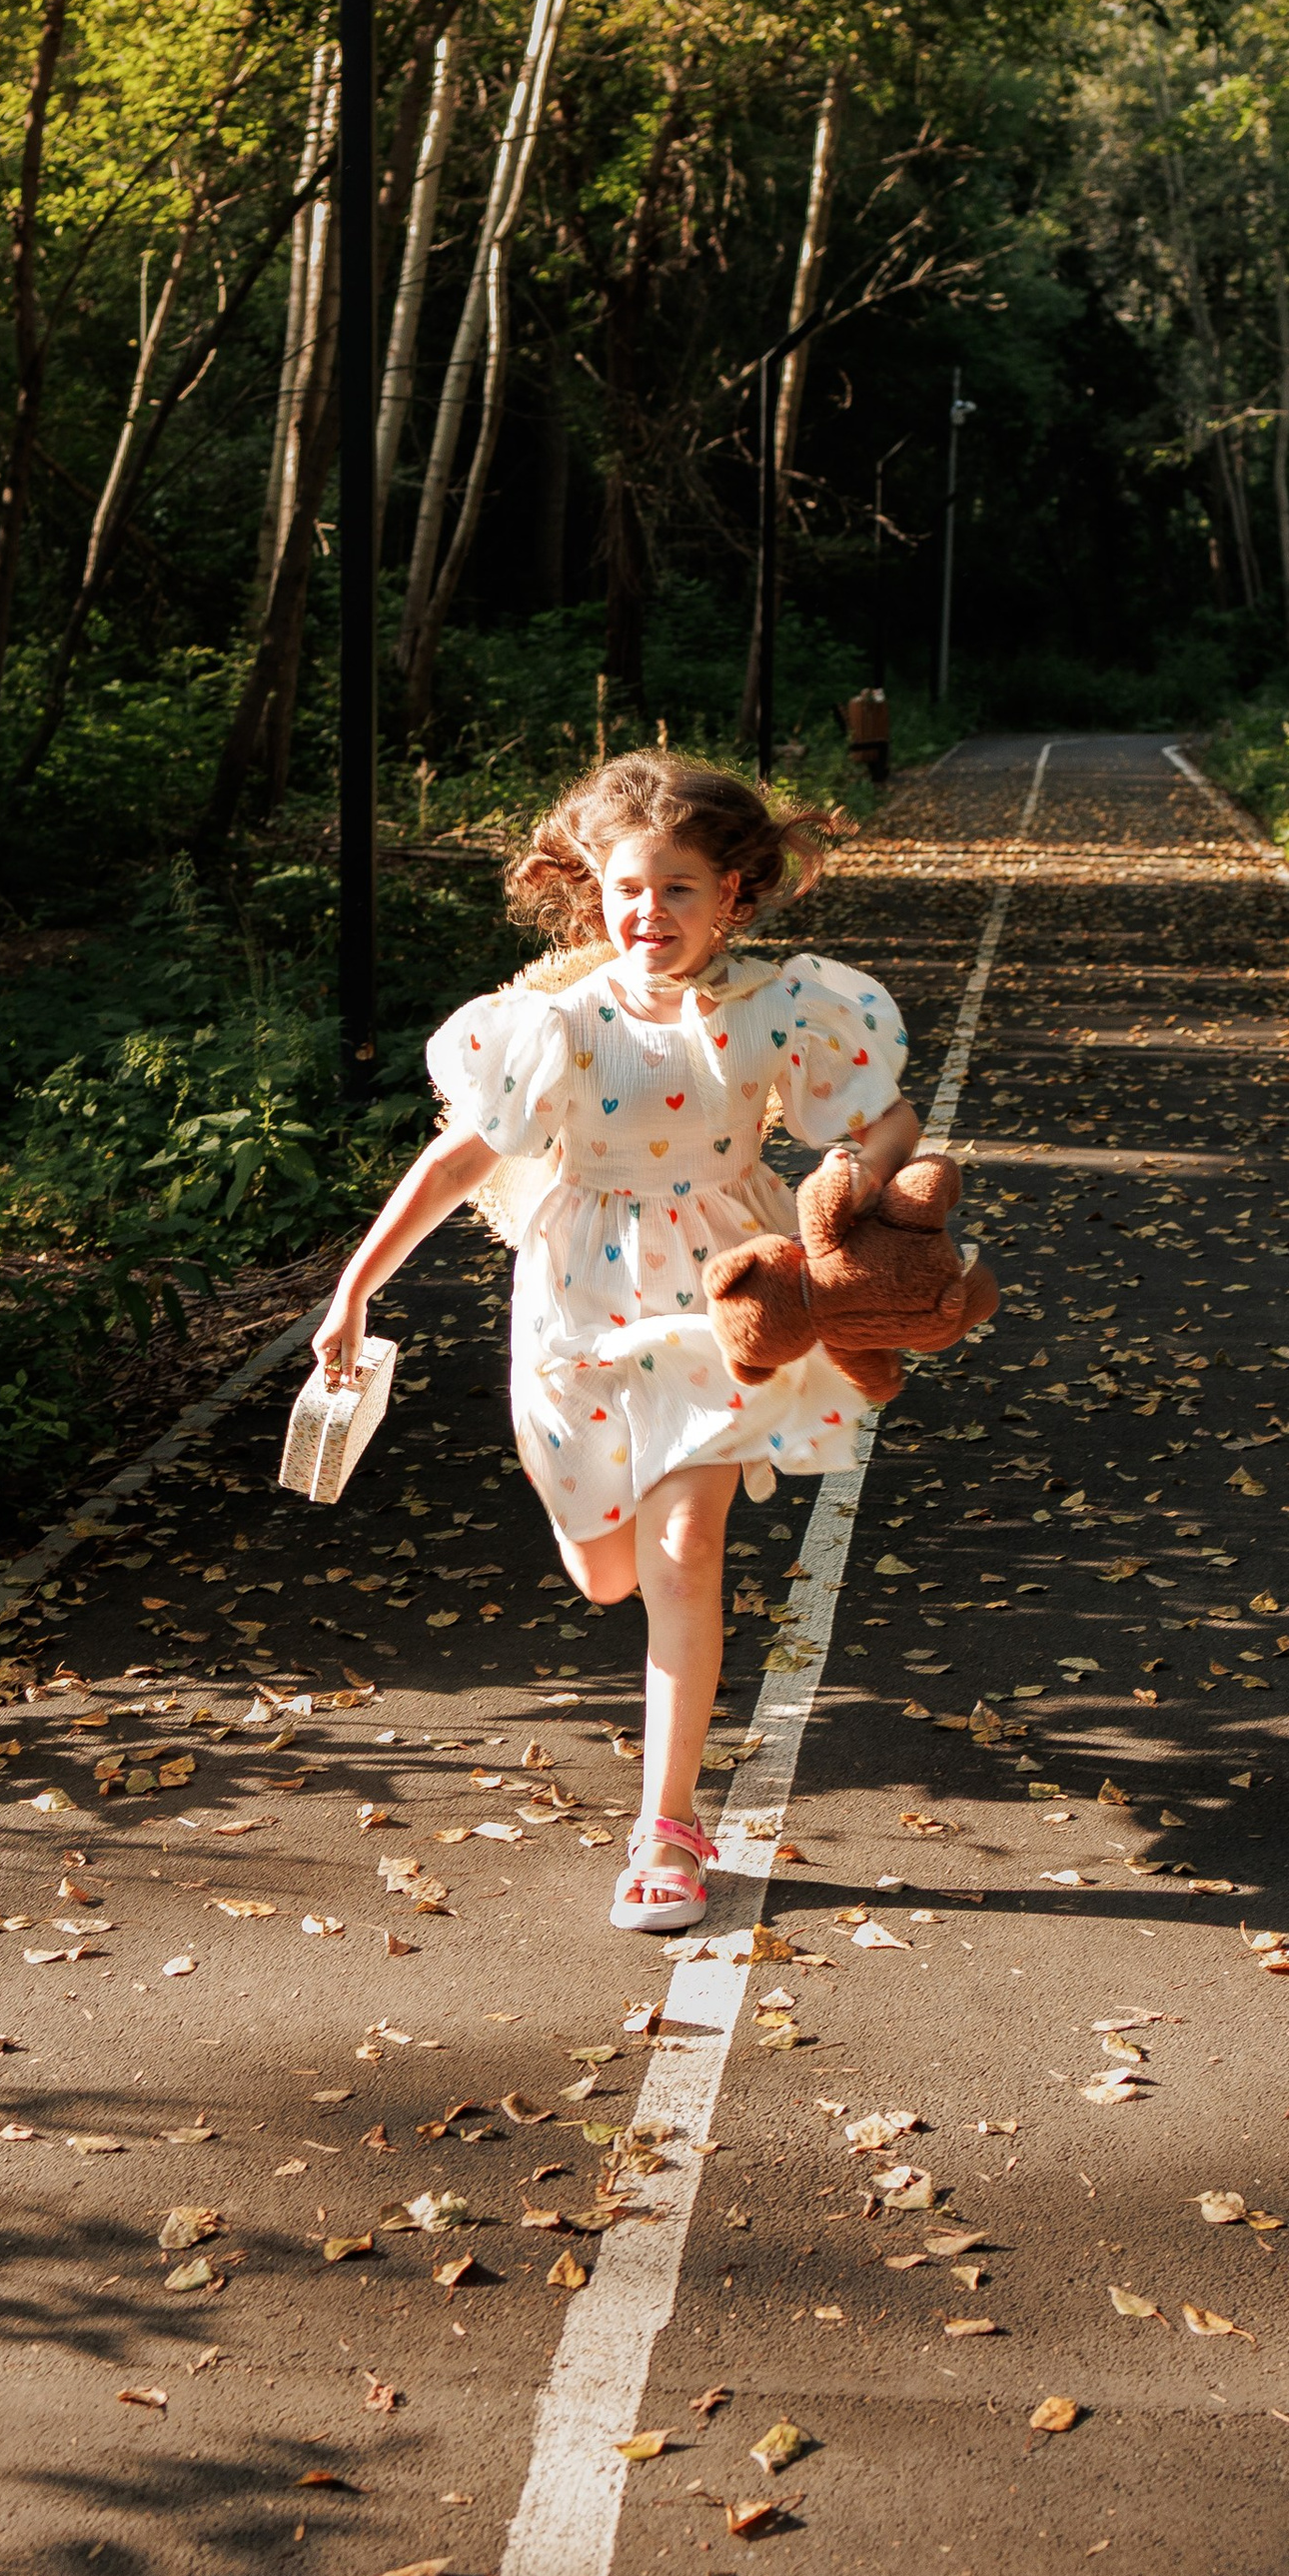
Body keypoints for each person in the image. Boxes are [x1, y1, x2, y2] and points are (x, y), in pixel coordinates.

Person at [312, 753, 919, 1932]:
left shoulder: (783, 1006)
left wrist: (852, 1187)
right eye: (629, 887)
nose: (650, 912)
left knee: (686, 1548)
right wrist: (354, 1288)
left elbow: (885, 1119)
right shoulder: (553, 1022)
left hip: (722, 1290)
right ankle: (613, 1551)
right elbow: (457, 1158)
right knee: (608, 1572)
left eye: (679, 888)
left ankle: (667, 1831)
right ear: (596, 892)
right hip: (573, 1299)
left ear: (732, 893)